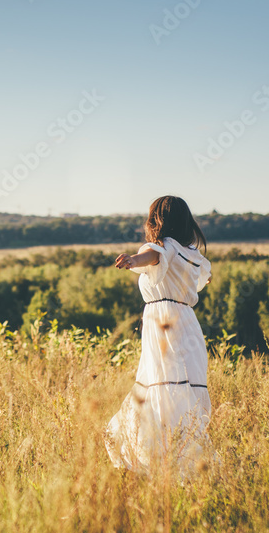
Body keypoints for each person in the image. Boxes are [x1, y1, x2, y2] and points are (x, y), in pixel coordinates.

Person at [105, 195, 214, 476]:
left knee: (163, 388)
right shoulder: (193, 256)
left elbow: (152, 256)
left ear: (157, 221)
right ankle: (183, 459)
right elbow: (202, 278)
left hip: (165, 325)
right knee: (180, 390)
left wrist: (132, 260)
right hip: (188, 324)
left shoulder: (163, 247)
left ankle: (164, 461)